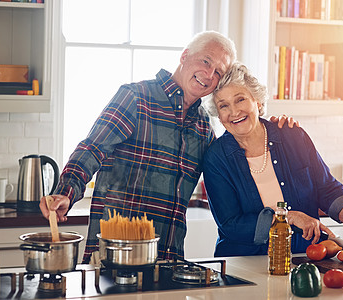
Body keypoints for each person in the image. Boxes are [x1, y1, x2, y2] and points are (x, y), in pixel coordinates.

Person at [40, 31, 297, 264]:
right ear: (185, 56)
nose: (209, 74)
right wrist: (66, 191)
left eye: (218, 72)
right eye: (206, 61)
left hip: (168, 258)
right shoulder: (136, 97)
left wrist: (271, 128)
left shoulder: (204, 127)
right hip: (116, 252)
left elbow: (235, 159)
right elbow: (92, 148)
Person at [202, 62, 343, 258]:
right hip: (245, 262)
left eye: (240, 100)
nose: (234, 112)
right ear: (219, 116)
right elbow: (231, 225)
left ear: (258, 102)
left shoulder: (292, 136)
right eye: (224, 106)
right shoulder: (216, 157)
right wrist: (289, 217)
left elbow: (327, 188)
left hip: (303, 256)